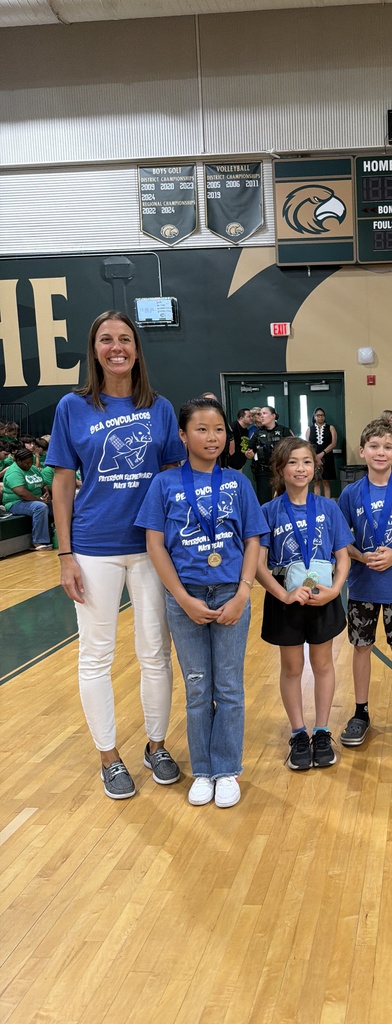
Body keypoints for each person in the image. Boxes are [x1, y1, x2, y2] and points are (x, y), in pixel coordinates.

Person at [47, 310, 186, 800]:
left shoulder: (161, 408)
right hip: (93, 548)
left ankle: (157, 745)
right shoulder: (73, 406)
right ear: (95, 349)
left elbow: (173, 480)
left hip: (151, 548)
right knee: (96, 655)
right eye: (106, 339)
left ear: (136, 348)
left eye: (124, 338)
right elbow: (62, 483)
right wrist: (65, 554)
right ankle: (108, 756)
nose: (116, 346)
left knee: (155, 653)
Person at [137, 397, 266, 808]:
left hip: (230, 593)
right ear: (182, 435)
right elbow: (155, 544)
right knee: (197, 688)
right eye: (201, 429)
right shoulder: (165, 484)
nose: (212, 437)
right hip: (185, 598)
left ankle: (227, 768)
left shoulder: (238, 483)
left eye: (219, 430)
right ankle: (203, 770)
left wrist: (244, 591)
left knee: (228, 687)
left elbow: (252, 539)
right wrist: (181, 597)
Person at [255, 437, 351, 770]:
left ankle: (322, 731)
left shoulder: (329, 508)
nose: (301, 468)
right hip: (286, 600)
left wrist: (335, 589)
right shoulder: (267, 512)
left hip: (323, 598)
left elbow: (342, 555)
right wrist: (283, 594)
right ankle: (298, 732)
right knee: (293, 668)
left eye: (307, 462)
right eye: (293, 462)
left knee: (323, 664)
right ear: (280, 469)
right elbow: (257, 564)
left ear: (315, 466)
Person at [337, 418, 392, 748]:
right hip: (361, 585)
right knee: (362, 648)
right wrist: (360, 557)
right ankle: (360, 712)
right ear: (362, 451)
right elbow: (341, 539)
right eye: (374, 446)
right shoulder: (350, 493)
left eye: (388, 446)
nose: (380, 452)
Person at [1, 447, 53, 549]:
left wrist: (46, 493)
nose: (29, 465)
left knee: (58, 505)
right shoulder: (14, 472)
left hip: (34, 500)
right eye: (26, 463)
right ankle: (39, 542)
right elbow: (22, 493)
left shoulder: (32, 468)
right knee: (40, 507)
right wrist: (40, 500)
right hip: (16, 503)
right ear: (18, 461)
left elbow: (43, 484)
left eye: (31, 462)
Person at [246, 405, 293, 505]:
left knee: (285, 499)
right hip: (263, 471)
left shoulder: (284, 431)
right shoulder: (257, 433)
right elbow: (248, 450)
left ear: (273, 416)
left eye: (264, 413)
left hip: (281, 470)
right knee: (264, 501)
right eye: (260, 414)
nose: (261, 416)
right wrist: (249, 454)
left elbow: (295, 448)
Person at [306, 407, 338, 498]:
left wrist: (322, 453)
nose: (320, 417)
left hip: (327, 457)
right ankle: (317, 503)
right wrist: (315, 457)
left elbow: (333, 443)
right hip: (314, 458)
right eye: (318, 415)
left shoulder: (330, 428)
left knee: (326, 481)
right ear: (314, 417)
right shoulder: (310, 429)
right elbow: (307, 444)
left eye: (322, 415)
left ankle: (327, 503)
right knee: (316, 481)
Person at [229, 407, 253, 471]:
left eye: (251, 416)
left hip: (240, 465)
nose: (251, 418)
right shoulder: (233, 428)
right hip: (230, 466)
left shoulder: (246, 430)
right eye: (249, 416)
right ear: (241, 418)